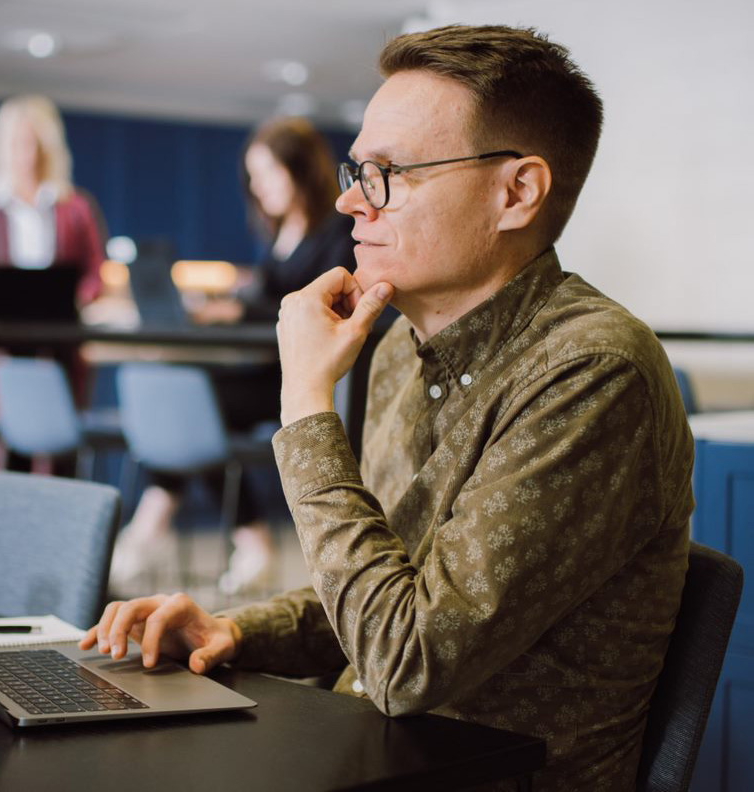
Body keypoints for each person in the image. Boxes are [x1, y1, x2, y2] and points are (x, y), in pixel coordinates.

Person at [82, 24, 692, 792]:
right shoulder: (400, 347)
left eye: (387, 173)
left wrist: (305, 402)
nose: (348, 201)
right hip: (362, 752)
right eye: (355, 170)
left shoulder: (593, 373)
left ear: (517, 192)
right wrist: (236, 628)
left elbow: (407, 661)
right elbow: (387, 587)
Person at [110, 116, 357, 596]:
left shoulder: (337, 233)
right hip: (266, 369)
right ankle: (233, 540)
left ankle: (163, 531)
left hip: (304, 377)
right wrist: (227, 309)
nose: (258, 188)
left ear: (300, 169)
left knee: (198, 404)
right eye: (253, 178)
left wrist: (241, 308)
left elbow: (310, 304)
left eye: (267, 174)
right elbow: (268, 300)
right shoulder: (279, 236)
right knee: (196, 405)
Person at [0, 94, 106, 328]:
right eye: (17, 143)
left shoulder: (76, 208)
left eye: (34, 143)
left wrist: (74, 304)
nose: (27, 156)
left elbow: (94, 269)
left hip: (58, 344)